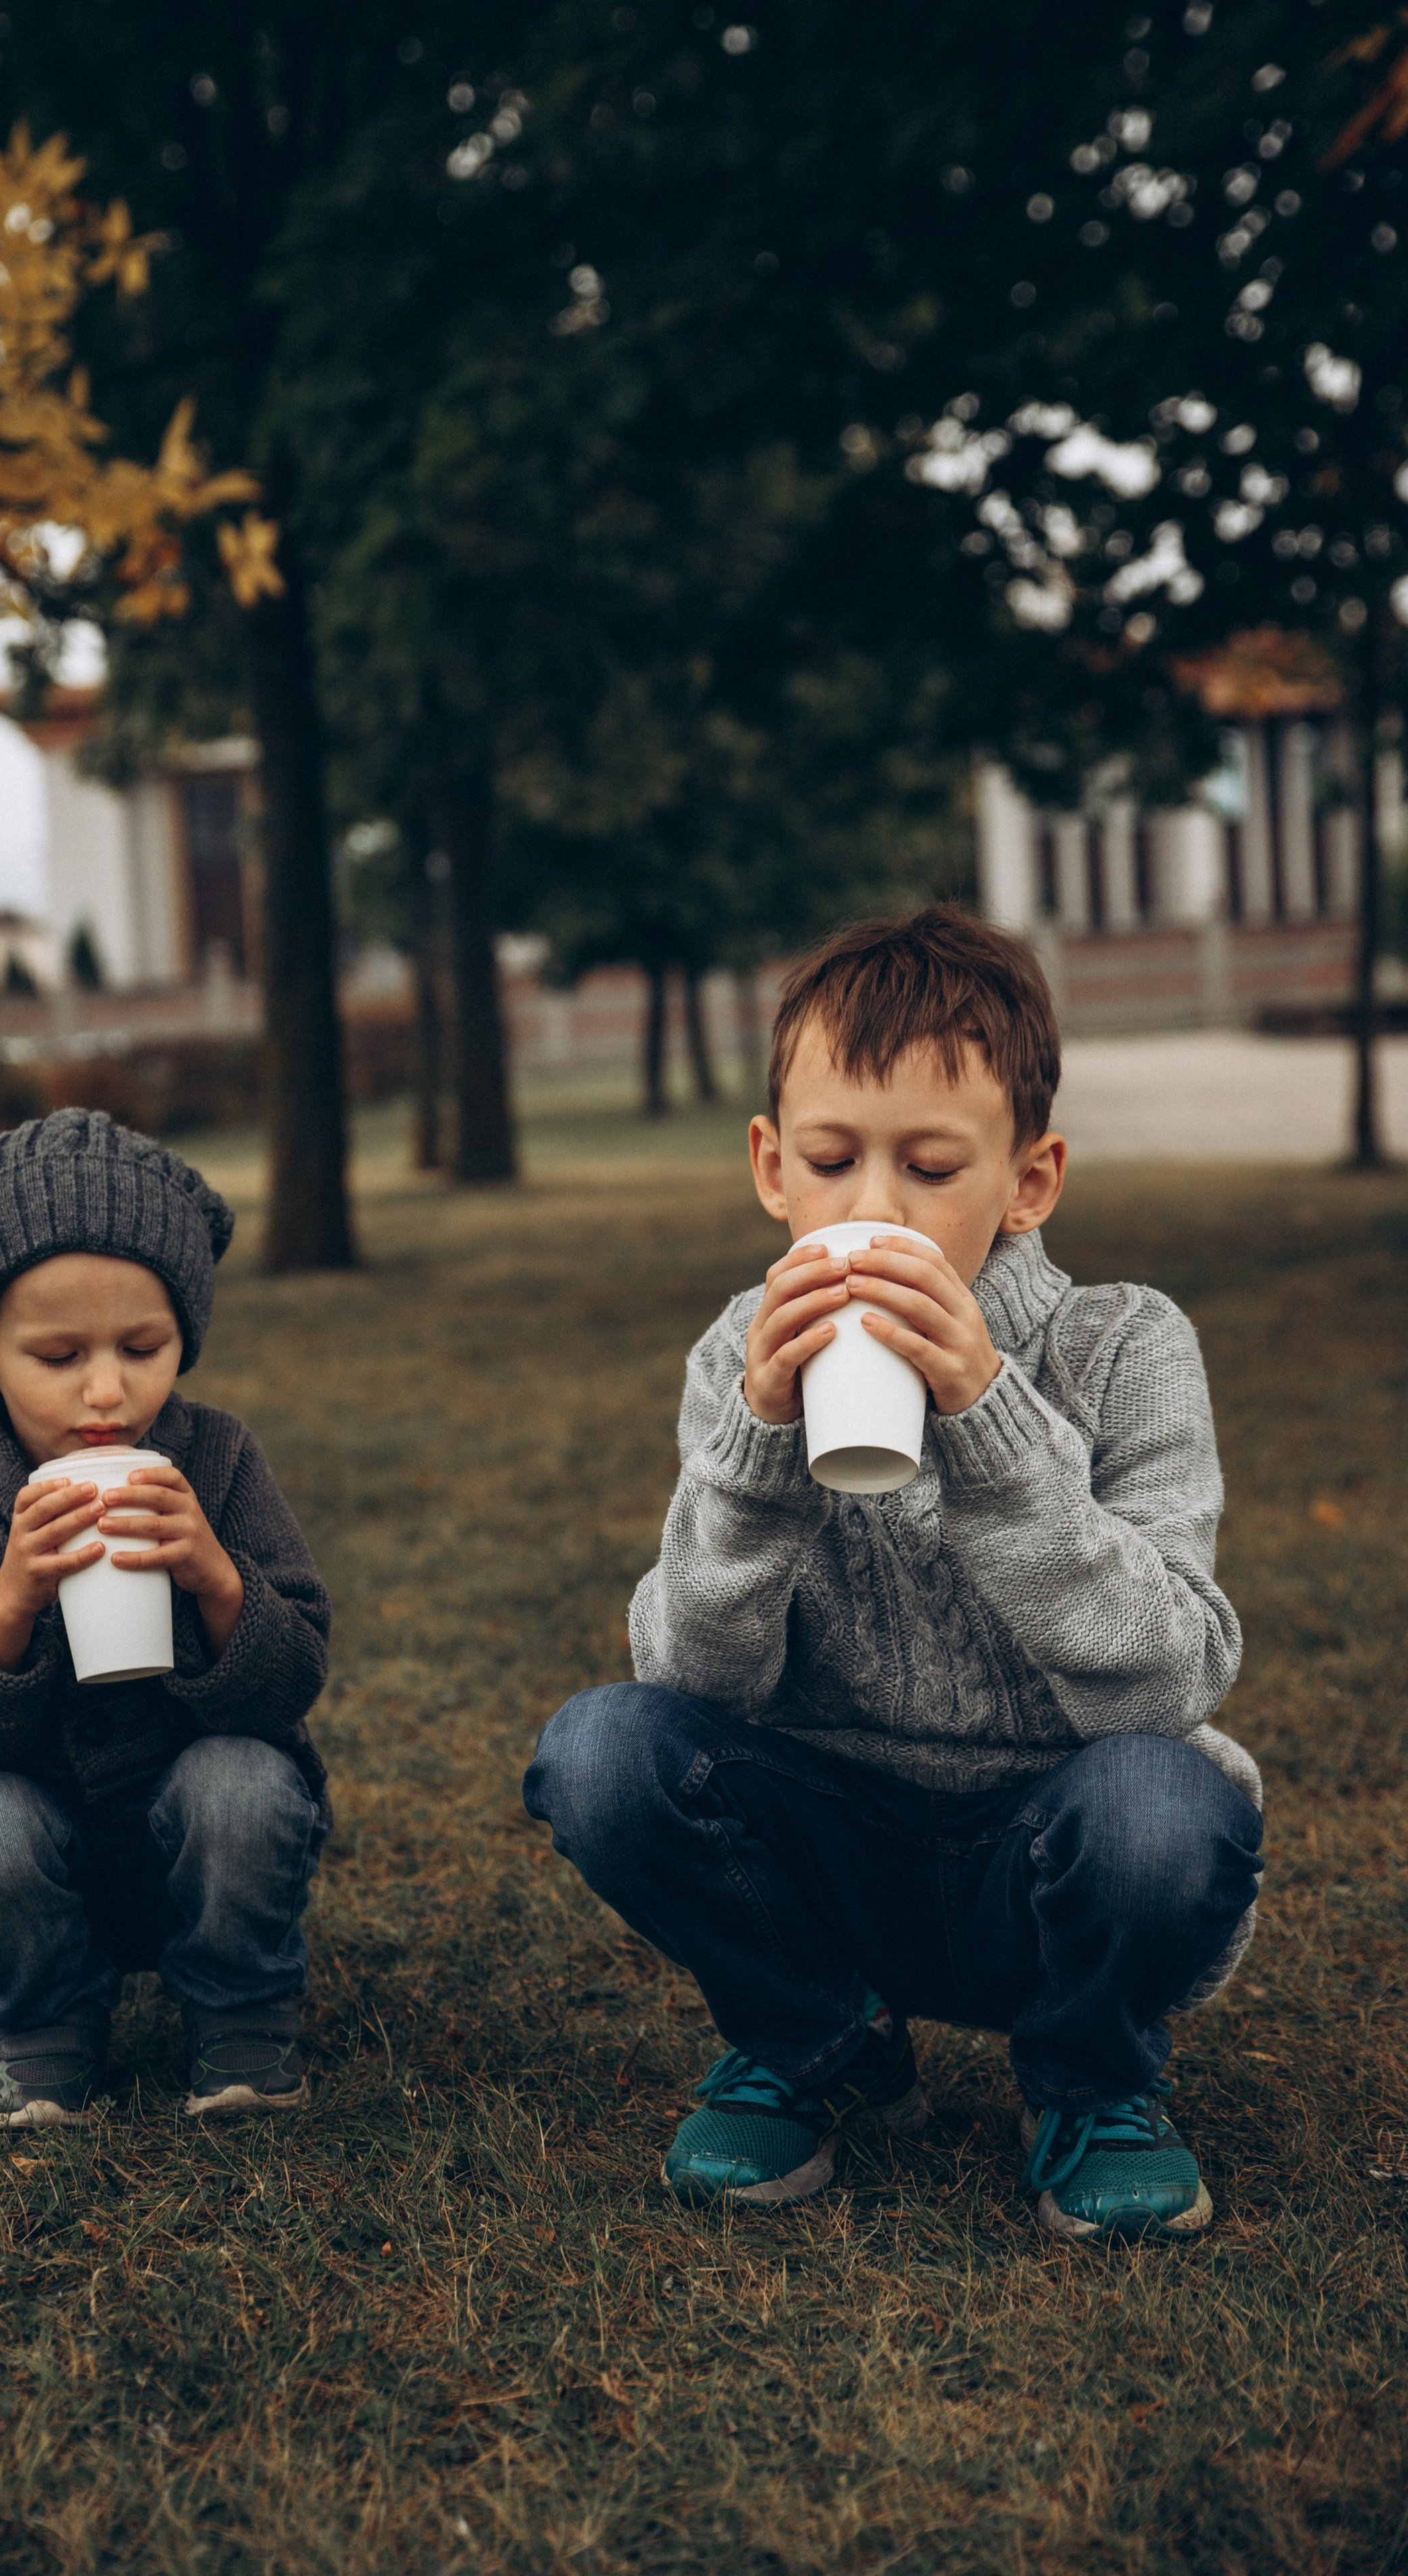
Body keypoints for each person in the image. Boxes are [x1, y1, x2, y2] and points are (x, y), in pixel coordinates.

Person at [524, 908, 1262, 2242]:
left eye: (928, 1166)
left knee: (1170, 1799)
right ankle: (818, 2041)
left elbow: (1169, 1677)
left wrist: (988, 1419)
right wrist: (757, 1452)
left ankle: (1090, 2082)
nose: (871, 1208)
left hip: (1051, 1849)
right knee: (600, 1752)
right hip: (831, 1850)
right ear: (770, 1169)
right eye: (830, 1159)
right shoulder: (734, 1358)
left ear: (1026, 1183)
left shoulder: (1121, 1346)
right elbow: (689, 1680)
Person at [0, 1108, 331, 2131]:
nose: (108, 1391)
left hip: (195, 1831)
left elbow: (295, 1674)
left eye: (144, 1345)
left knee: (247, 1782)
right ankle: (44, 2028)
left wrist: (216, 1578)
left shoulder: (219, 1460)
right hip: (28, 1847)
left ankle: (243, 2010)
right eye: (60, 1354)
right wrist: (9, 1604)